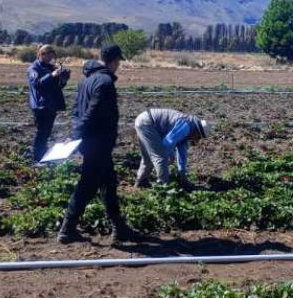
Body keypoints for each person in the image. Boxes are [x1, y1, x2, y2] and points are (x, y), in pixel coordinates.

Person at [57, 44, 137, 244]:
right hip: (98, 142)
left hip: (90, 141)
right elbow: (93, 112)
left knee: (109, 183)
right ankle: (67, 228)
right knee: (87, 184)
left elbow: (77, 111)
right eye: (118, 61)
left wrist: (77, 134)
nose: (118, 65)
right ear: (113, 60)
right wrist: (77, 134)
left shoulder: (86, 80)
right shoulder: (105, 82)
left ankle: (119, 228)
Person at [134, 109, 208, 188]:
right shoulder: (186, 126)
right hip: (147, 122)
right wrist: (170, 156)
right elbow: (167, 143)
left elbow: (182, 153)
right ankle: (164, 187)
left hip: (144, 121)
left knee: (148, 157)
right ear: (198, 131)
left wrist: (182, 173)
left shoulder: (188, 130)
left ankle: (141, 182)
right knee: (160, 157)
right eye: (199, 137)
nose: (197, 139)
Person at [27, 45, 70, 163]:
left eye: (53, 54)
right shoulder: (34, 68)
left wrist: (64, 79)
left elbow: (58, 86)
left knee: (47, 133)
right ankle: (37, 158)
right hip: (41, 105)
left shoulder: (51, 67)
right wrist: (52, 75)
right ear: (41, 54)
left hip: (51, 105)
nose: (52, 57)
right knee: (42, 133)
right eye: (49, 54)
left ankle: (44, 157)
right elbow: (37, 84)